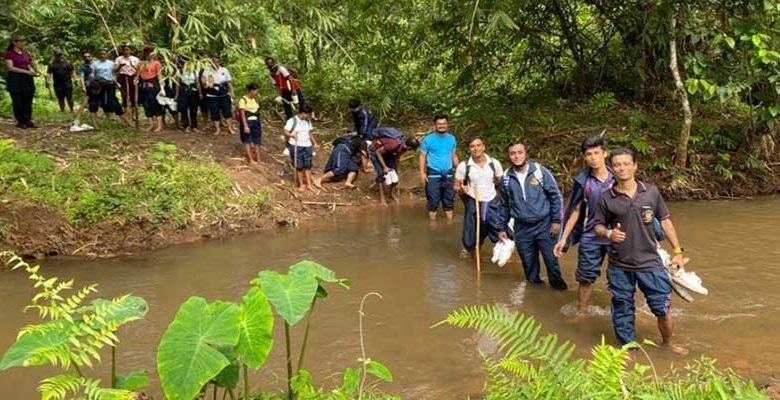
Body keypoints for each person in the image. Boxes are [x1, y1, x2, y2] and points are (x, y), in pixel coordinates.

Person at [593, 147, 688, 354]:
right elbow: (597, 226)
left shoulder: (651, 192)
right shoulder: (606, 198)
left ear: (635, 166)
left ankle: (668, 343)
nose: (622, 168)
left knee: (662, 309)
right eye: (617, 165)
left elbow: (665, 221)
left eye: (626, 163)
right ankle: (628, 349)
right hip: (620, 264)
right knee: (622, 309)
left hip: (650, 263)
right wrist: (609, 234)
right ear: (612, 168)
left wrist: (678, 252)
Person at [494, 141, 568, 290]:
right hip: (522, 228)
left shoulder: (540, 172)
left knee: (551, 261)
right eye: (513, 153)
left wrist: (556, 220)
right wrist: (501, 227)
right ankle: (535, 298)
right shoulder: (507, 178)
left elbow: (555, 196)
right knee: (529, 265)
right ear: (509, 156)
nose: (516, 156)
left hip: (545, 224)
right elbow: (504, 204)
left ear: (526, 153)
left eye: (519, 152)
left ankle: (559, 293)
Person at [553, 136, 613, 314]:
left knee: (620, 278)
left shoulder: (617, 177)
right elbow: (576, 211)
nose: (593, 157)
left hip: (616, 237)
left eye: (597, 153)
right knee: (585, 278)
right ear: (584, 158)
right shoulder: (583, 181)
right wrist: (563, 238)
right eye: (589, 154)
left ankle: (623, 311)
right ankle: (582, 312)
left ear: (604, 154)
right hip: (591, 237)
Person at [454, 136, 504, 258]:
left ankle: (504, 261)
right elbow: (456, 186)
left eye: (478, 145)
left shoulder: (494, 163)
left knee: (500, 233)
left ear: (483, 147)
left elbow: (501, 182)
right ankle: (474, 259)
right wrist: (461, 189)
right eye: (472, 146)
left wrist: (500, 196)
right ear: (469, 149)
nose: (476, 148)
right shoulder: (464, 166)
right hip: (473, 201)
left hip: (492, 201)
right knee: (473, 235)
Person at [418, 114, 459, 221]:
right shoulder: (428, 139)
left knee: (449, 200)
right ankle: (433, 225)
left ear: (447, 124)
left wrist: (460, 171)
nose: (442, 126)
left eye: (444, 123)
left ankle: (449, 223)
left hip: (449, 173)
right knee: (433, 201)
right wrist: (422, 173)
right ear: (435, 125)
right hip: (433, 173)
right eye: (439, 124)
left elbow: (454, 155)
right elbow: (422, 156)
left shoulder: (452, 139)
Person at [370, 127, 420, 205]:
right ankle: (382, 198)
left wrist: (395, 167)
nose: (410, 150)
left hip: (387, 152)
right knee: (381, 174)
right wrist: (385, 167)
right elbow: (378, 152)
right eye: (411, 149)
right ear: (409, 147)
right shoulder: (393, 145)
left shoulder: (404, 147)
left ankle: (391, 194)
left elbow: (398, 155)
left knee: (395, 175)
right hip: (376, 151)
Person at [4, 36, 41, 128]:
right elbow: (10, 67)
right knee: (17, 100)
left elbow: (31, 62)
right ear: (15, 42)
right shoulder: (9, 54)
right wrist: (27, 72)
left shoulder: (26, 53)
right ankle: (20, 121)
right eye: (21, 41)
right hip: (15, 78)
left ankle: (27, 120)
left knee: (28, 98)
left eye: (24, 41)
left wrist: (37, 70)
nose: (23, 43)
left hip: (27, 79)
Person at [284, 104, 318, 191]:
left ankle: (309, 184)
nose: (309, 116)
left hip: (307, 145)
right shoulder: (292, 121)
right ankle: (301, 185)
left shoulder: (307, 121)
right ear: (303, 113)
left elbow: (309, 133)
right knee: (299, 166)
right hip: (296, 145)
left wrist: (314, 143)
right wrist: (291, 135)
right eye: (308, 114)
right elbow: (285, 131)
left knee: (308, 165)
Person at [201, 56, 235, 135]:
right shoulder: (207, 70)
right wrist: (205, 84)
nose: (215, 63)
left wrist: (232, 92)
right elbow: (203, 81)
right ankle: (217, 129)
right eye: (213, 62)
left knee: (227, 111)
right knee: (214, 112)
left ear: (219, 62)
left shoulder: (224, 70)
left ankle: (230, 128)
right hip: (212, 95)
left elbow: (229, 82)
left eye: (216, 62)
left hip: (224, 93)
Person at [90, 48, 123, 119]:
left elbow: (115, 72)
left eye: (104, 54)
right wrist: (92, 77)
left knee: (111, 99)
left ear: (107, 55)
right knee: (102, 100)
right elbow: (93, 73)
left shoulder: (111, 63)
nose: (102, 55)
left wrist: (120, 66)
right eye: (101, 54)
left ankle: (114, 114)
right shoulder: (95, 63)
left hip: (109, 83)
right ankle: (106, 114)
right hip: (99, 84)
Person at [136, 46, 164, 132]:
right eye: (147, 52)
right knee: (146, 104)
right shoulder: (140, 63)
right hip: (143, 85)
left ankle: (159, 125)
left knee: (155, 104)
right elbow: (137, 75)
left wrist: (162, 88)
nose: (149, 54)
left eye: (150, 52)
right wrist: (136, 80)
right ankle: (151, 124)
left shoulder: (156, 63)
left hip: (154, 84)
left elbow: (160, 76)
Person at [349, 98, 379, 172]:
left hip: (370, 127)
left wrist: (362, 133)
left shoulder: (363, 112)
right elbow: (357, 122)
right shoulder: (354, 112)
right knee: (361, 141)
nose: (353, 110)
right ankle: (363, 158)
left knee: (366, 143)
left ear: (359, 106)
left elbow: (365, 124)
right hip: (362, 127)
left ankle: (368, 161)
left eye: (355, 108)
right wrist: (357, 131)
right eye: (352, 108)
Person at [238, 83, 263, 165]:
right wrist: (245, 125)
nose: (257, 93)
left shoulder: (254, 99)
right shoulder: (243, 100)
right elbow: (242, 114)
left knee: (257, 140)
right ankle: (251, 159)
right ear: (251, 91)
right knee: (247, 141)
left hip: (256, 122)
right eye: (256, 91)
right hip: (248, 123)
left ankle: (258, 159)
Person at [176, 56, 201, 133]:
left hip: (193, 90)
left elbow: (197, 82)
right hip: (183, 90)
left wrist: (200, 93)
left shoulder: (194, 71)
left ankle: (194, 126)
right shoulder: (179, 71)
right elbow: (177, 84)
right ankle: (186, 125)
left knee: (193, 108)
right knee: (184, 109)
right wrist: (177, 95)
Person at [46, 48, 75, 112]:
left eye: (60, 54)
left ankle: (71, 109)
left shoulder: (67, 62)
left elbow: (72, 71)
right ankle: (62, 110)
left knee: (69, 97)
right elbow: (49, 73)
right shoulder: (51, 63)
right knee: (60, 98)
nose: (59, 56)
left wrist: (75, 79)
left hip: (67, 82)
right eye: (58, 55)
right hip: (57, 84)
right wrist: (48, 80)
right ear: (55, 55)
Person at [114, 44, 138, 120]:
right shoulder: (119, 59)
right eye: (124, 50)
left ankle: (133, 114)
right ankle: (126, 113)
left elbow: (139, 70)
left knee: (133, 95)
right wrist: (120, 66)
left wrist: (132, 65)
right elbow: (115, 70)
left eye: (127, 49)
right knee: (124, 95)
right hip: (122, 77)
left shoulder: (135, 59)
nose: (126, 51)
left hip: (132, 77)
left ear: (131, 51)